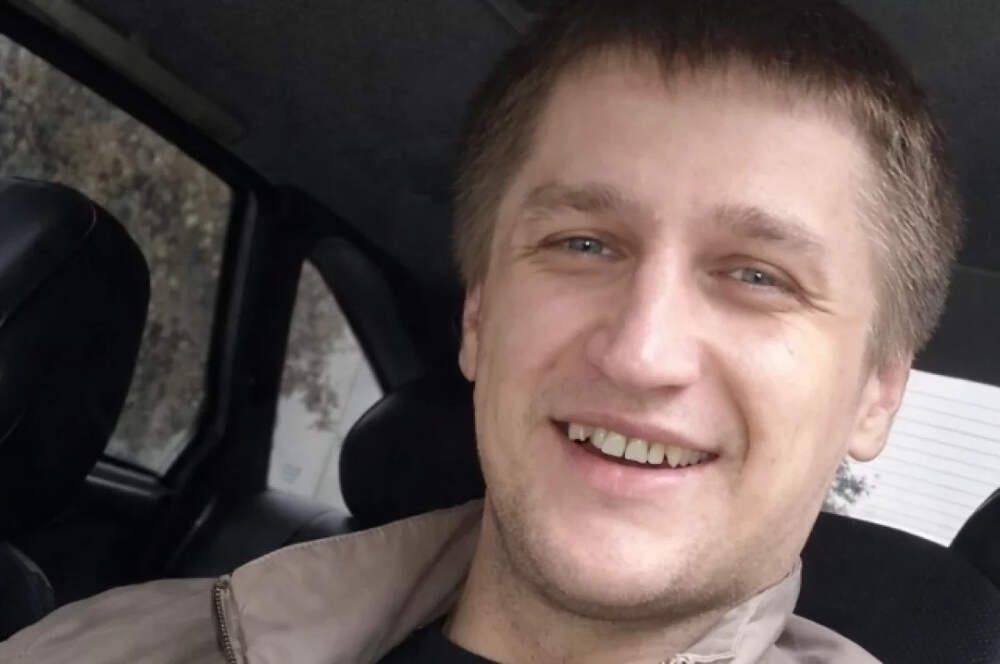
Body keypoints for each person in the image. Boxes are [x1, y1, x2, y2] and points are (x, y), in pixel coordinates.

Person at [0, 1, 961, 663]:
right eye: (583, 243)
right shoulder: (107, 645)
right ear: (477, 316)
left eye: (758, 276)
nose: (641, 352)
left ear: (877, 393)